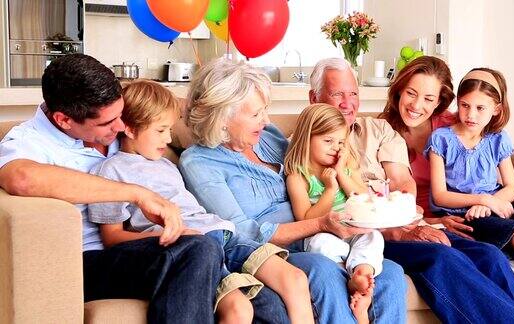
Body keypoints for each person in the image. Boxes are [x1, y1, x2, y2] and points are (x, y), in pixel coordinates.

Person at [178, 57, 407, 324]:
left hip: (328, 236)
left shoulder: (269, 135)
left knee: (390, 273)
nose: (265, 120)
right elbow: (241, 231)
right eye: (255, 114)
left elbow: (312, 171)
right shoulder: (200, 162)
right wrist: (320, 224)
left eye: (266, 110)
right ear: (222, 118)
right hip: (278, 252)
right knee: (323, 271)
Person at [309, 57, 514, 323]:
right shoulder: (308, 144)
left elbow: (403, 184)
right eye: (337, 94)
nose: (347, 102)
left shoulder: (379, 129)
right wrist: (397, 227)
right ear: (315, 97)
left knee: (490, 256)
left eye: (353, 94)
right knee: (442, 259)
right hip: (368, 238)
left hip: (409, 221)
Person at [0, 54, 222, 323]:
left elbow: (169, 121)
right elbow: (23, 178)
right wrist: (137, 193)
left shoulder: (117, 122)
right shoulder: (29, 142)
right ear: (63, 120)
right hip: (88, 261)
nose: (119, 127)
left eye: (119, 115)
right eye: (107, 123)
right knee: (197, 250)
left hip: (142, 245)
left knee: (208, 250)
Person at [87, 80, 314, 324]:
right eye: (160, 130)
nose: (168, 138)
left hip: (223, 234)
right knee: (239, 309)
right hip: (192, 246)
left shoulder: (166, 165)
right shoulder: (111, 171)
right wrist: (174, 236)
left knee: (294, 280)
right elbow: (112, 237)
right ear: (129, 129)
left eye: (170, 130)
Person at [380, 55, 514, 324]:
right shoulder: (379, 131)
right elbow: (382, 201)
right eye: (411, 93)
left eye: (428, 98)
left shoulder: (452, 123)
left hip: (478, 213)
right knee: (493, 256)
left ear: (440, 101)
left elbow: (486, 179)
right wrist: (435, 220)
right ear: (399, 90)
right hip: (433, 220)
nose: (416, 105)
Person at [284, 103, 385, 324]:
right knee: (322, 244)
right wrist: (330, 190)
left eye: (340, 142)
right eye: (327, 141)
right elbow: (305, 218)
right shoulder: (299, 176)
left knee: (374, 237)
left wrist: (341, 175)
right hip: (323, 235)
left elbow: (362, 199)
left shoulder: (347, 167)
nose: (335, 148)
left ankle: (362, 277)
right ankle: (351, 283)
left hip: (352, 231)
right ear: (307, 138)